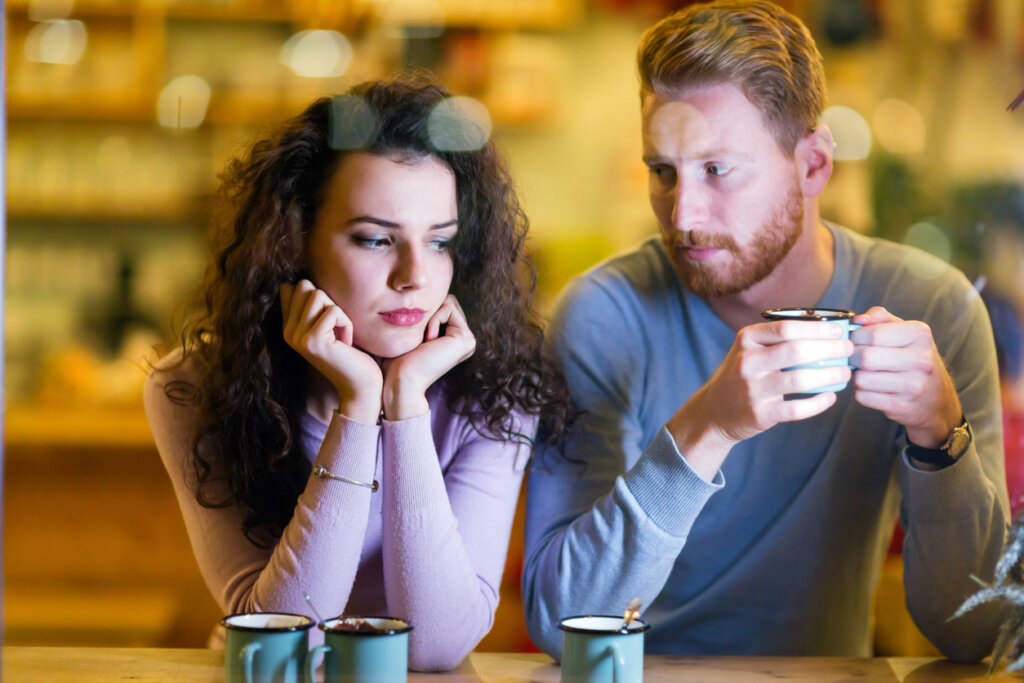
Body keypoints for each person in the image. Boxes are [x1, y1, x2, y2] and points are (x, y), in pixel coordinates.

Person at [522, 0, 1008, 662]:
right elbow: (560, 622)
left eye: (717, 169)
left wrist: (940, 438)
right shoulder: (603, 314)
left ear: (813, 166)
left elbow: (977, 632)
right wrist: (706, 428)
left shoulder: (931, 308)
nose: (683, 213)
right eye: (661, 171)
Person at [144, 73, 572, 670]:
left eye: (441, 241)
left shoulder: (499, 386)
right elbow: (286, 639)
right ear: (293, 241)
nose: (414, 276)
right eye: (375, 240)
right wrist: (359, 404)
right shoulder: (191, 387)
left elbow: (438, 645)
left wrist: (405, 405)